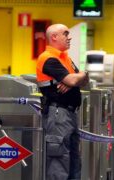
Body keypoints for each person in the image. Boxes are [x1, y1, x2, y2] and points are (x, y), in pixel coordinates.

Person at [36, 24, 89, 180]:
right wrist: (76, 78)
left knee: (73, 160)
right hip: (58, 115)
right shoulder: (48, 59)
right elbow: (74, 79)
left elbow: (83, 80)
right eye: (66, 34)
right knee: (58, 162)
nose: (69, 37)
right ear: (54, 37)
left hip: (70, 114)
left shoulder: (65, 58)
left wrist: (81, 75)